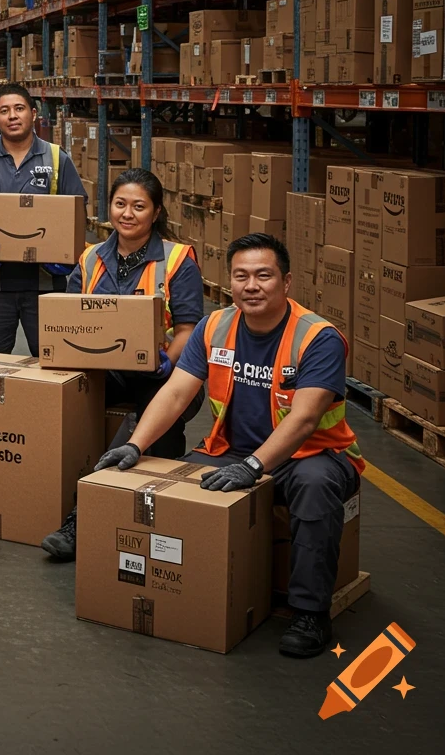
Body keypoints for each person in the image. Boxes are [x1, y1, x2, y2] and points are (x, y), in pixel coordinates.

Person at [88, 233, 364, 658]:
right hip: (230, 449)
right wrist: (137, 445)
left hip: (314, 455)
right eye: (241, 276)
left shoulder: (317, 338)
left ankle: (310, 612)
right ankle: (191, 588)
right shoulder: (215, 326)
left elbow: (306, 419)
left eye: (263, 275)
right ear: (229, 282)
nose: (251, 285)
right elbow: (177, 392)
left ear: (286, 282)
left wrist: (254, 466)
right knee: (171, 487)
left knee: (314, 489)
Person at [41, 168, 204, 560]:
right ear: (109, 207)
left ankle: (81, 519)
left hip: (162, 376)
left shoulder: (177, 259)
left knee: (149, 424)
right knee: (60, 406)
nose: (127, 214)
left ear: (155, 211)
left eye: (138, 206)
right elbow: (71, 317)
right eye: (120, 204)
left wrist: (166, 361)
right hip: (106, 372)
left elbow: (188, 328)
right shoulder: (91, 257)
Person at [0, 83, 88, 356]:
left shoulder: (57, 159)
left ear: (33, 114)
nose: (12, 116)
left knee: (55, 363)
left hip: (47, 285)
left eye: (19, 109)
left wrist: (65, 253)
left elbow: (77, 212)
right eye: (4, 111)